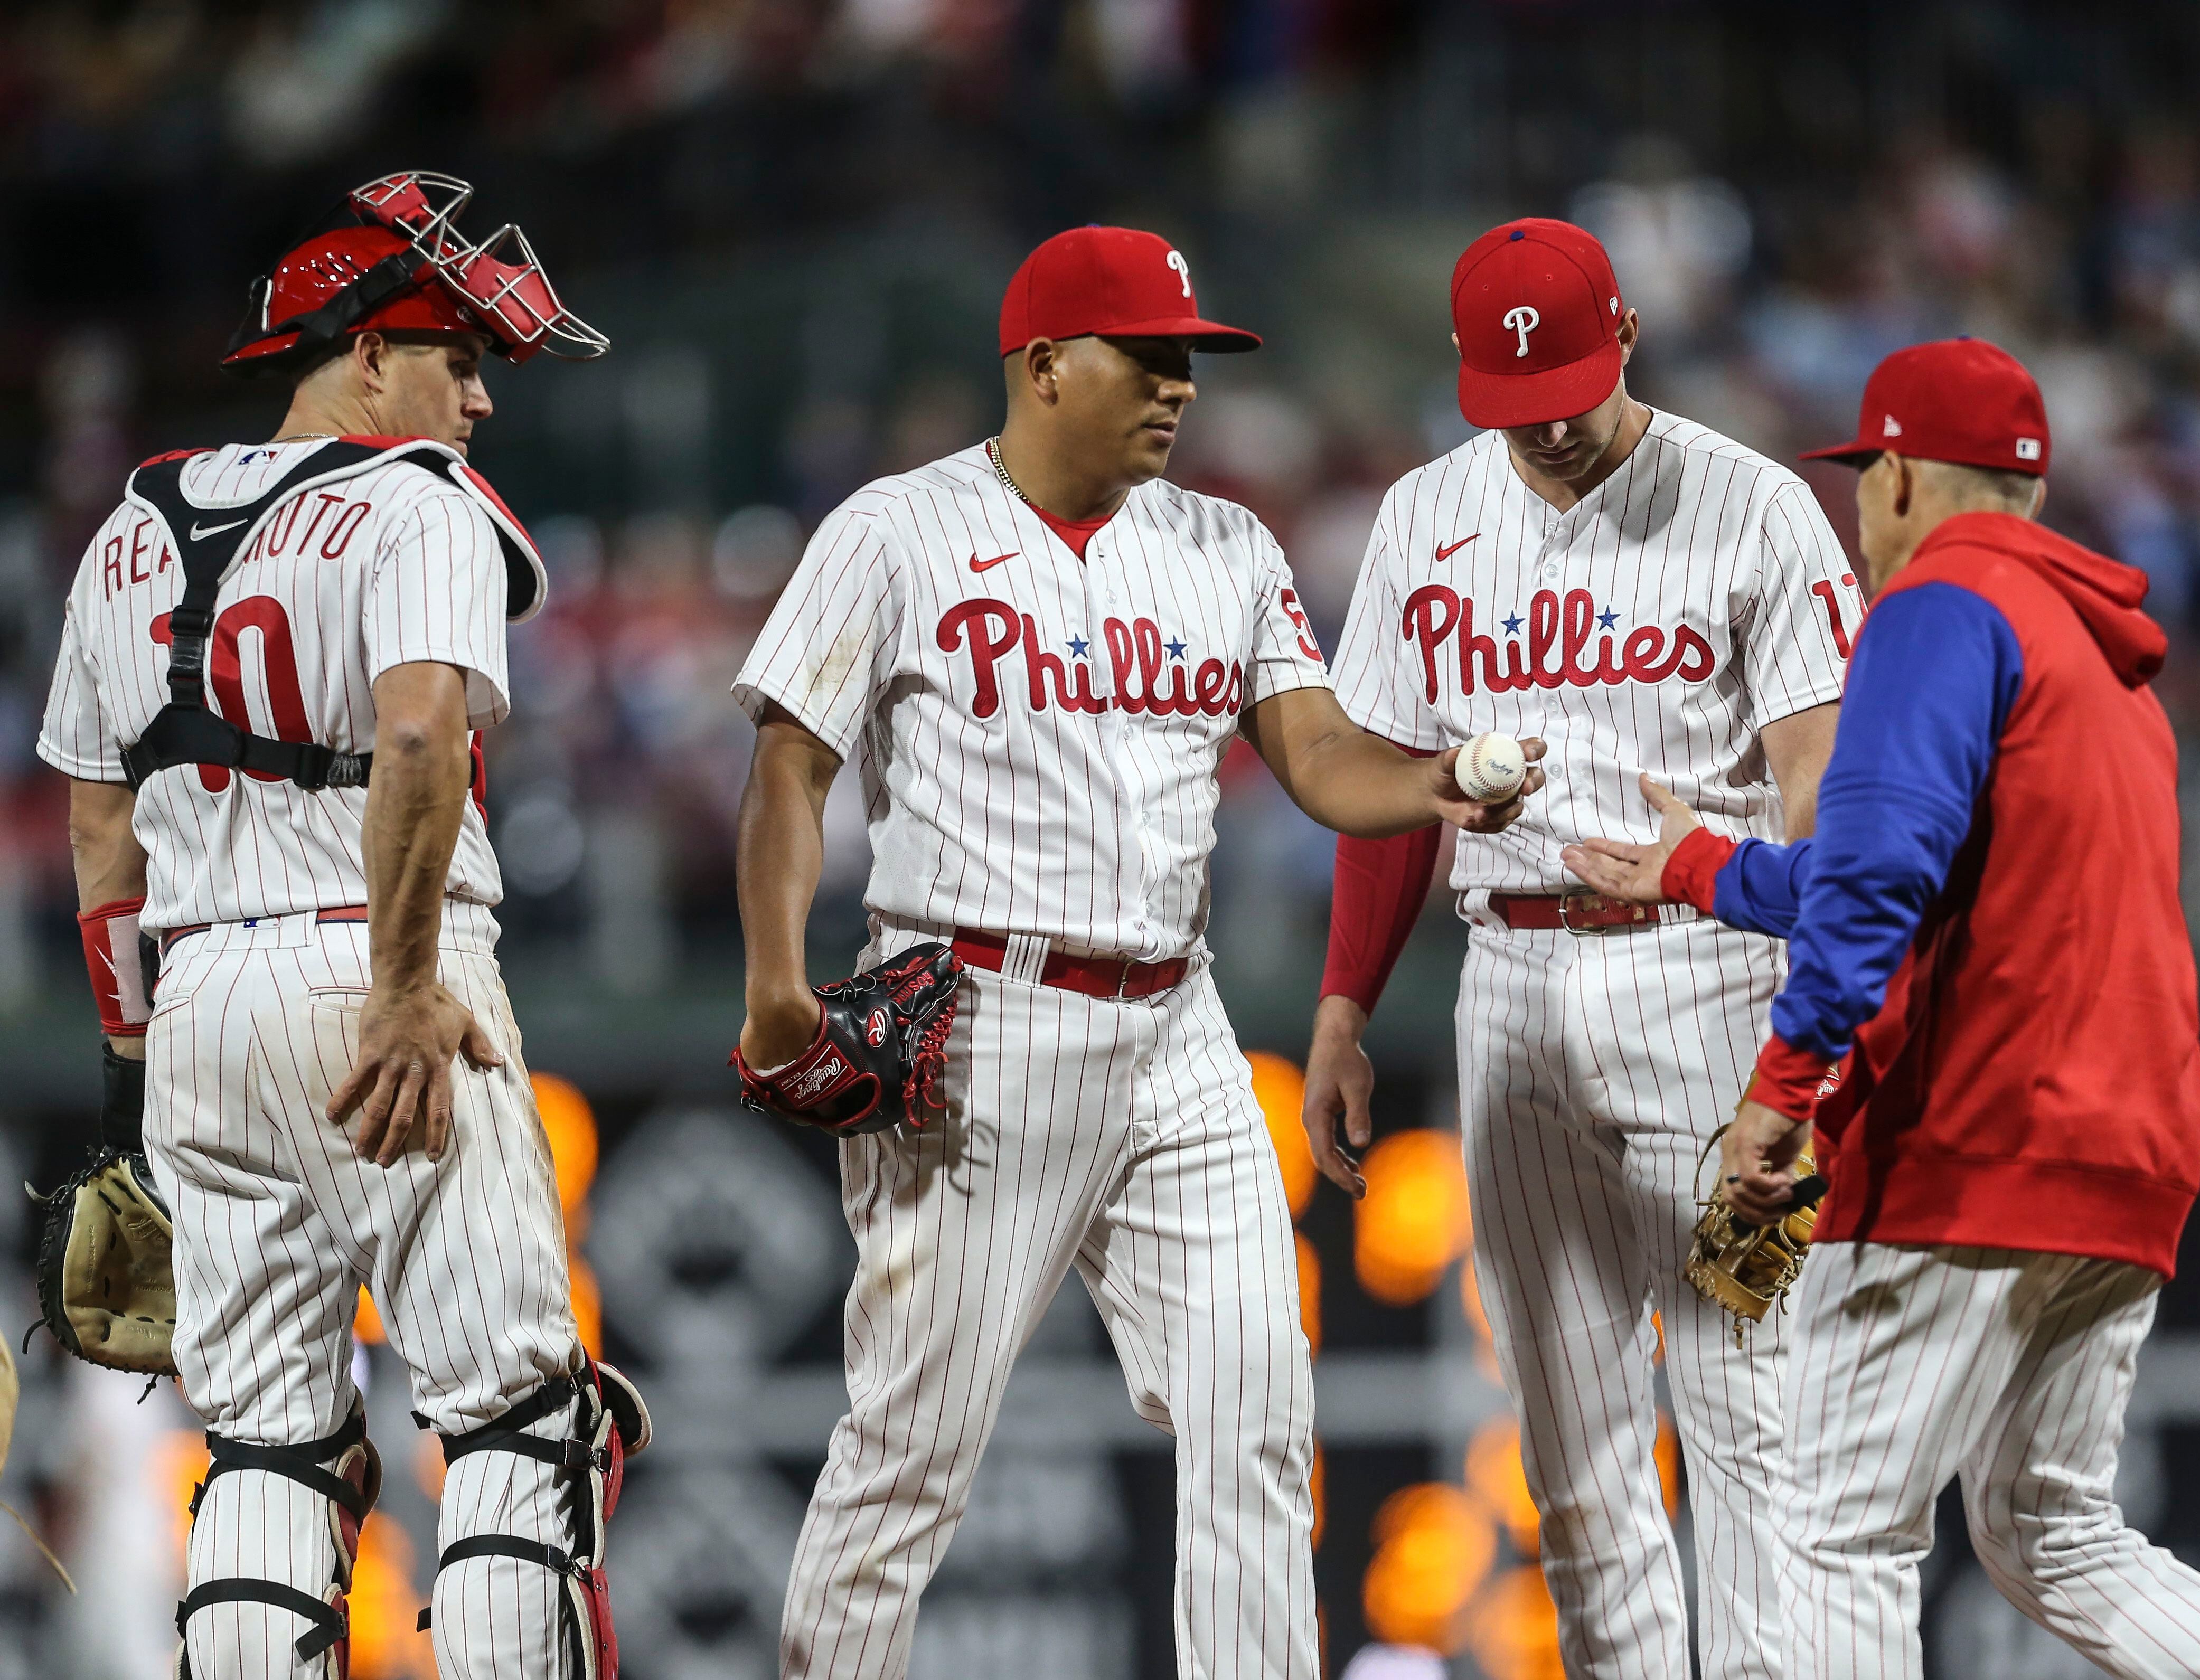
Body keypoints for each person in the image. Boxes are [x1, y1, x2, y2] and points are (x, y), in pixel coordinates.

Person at [730, 224, 1541, 1680]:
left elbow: (1314, 751)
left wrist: (1434, 781)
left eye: (1188, 361)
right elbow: (790, 765)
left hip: (1178, 1023)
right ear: (1043, 365)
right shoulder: (893, 528)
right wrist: (775, 985)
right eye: (1146, 356)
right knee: (909, 1452)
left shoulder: (1223, 544)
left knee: (1255, 1415)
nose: (1178, 386)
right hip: (973, 1018)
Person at [1564, 338, 2200, 1680]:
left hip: (1975, 1138)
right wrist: (1700, 868)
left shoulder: (1935, 608)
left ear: (1899, 472)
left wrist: (1783, 1086)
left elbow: (1883, 871)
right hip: (2123, 1156)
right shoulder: (2101, 656)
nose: (1858, 509)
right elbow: (1928, 864)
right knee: (2052, 1532)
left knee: (1830, 1532)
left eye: (1864, 479)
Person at [35, 172, 646, 1679]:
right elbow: (424, 735)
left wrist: (131, 1077)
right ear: (367, 354)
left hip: (193, 1010)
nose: (477, 401)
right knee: (514, 1414)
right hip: (371, 964)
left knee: (265, 1443)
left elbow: (100, 828)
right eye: (457, 357)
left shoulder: (127, 531)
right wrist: (399, 983)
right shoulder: (413, 496)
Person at [1304, 218, 1856, 1680]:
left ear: (1624, 331)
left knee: (1752, 1421)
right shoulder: (1425, 514)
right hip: (1511, 988)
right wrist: (1343, 1003)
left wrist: (1802, 1041)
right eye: (1508, 403)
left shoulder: (1755, 508)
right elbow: (1382, 786)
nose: (1541, 430)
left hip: (1714, 978)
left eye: (1565, 395)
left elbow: (1823, 792)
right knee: (1569, 1449)